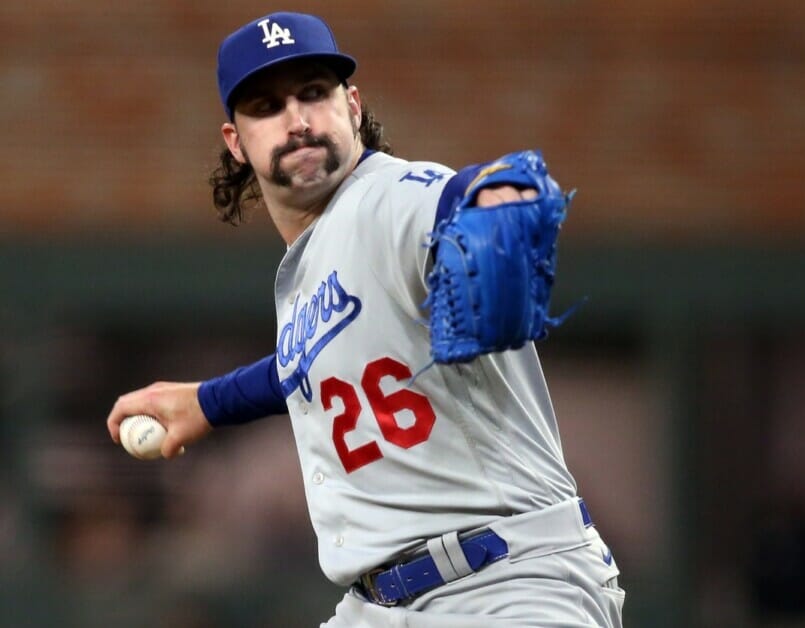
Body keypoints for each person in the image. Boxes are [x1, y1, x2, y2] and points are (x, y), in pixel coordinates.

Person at [106, 11, 624, 628]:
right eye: (268, 106)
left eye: (313, 93)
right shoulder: (316, 259)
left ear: (352, 107)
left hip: (509, 587)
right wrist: (209, 402)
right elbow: (322, 360)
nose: (297, 120)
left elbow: (448, 198)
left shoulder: (386, 200)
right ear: (236, 142)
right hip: (383, 605)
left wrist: (490, 194)